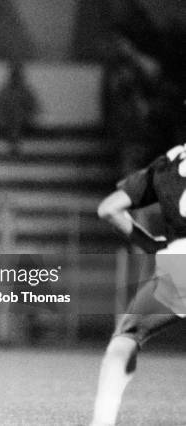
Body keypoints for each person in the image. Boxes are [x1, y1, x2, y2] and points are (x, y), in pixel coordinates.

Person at [90, 144, 186, 426]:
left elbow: (108, 209)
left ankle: (102, 422)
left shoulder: (170, 161)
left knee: (126, 337)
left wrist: (149, 244)